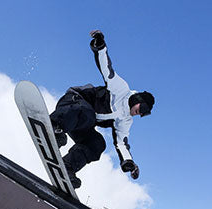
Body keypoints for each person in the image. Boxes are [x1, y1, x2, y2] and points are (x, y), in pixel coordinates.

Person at [50, 29, 155, 189]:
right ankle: (54, 127)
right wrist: (100, 46)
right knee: (87, 113)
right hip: (72, 104)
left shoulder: (126, 121)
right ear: (138, 99)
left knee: (98, 143)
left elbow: (122, 143)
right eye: (143, 108)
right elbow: (107, 68)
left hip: (79, 123)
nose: (140, 113)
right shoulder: (121, 89)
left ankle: (67, 167)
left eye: (144, 114)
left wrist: (129, 162)